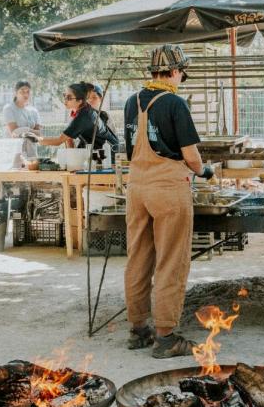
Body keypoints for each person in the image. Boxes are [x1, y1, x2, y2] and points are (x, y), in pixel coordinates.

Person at [123, 44, 214, 358]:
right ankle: (165, 337)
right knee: (171, 260)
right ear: (175, 71)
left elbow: (129, 149)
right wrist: (205, 171)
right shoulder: (175, 103)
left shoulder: (130, 101)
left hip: (136, 188)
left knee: (138, 258)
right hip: (167, 188)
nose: (180, 78)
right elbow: (191, 156)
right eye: (182, 74)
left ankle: (138, 329)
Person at [35, 83, 115, 155]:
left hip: (107, 155)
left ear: (80, 100)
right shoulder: (84, 110)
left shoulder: (83, 116)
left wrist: (36, 139)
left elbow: (58, 141)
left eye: (69, 98)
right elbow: (68, 138)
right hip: (98, 152)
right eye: (64, 96)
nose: (65, 100)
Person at [3, 81, 43, 159]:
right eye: (22, 91)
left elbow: (39, 134)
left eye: (28, 92)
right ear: (16, 93)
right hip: (14, 154)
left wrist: (24, 131)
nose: (25, 94)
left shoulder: (33, 111)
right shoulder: (9, 108)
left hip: (32, 154)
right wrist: (31, 131)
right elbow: (14, 132)